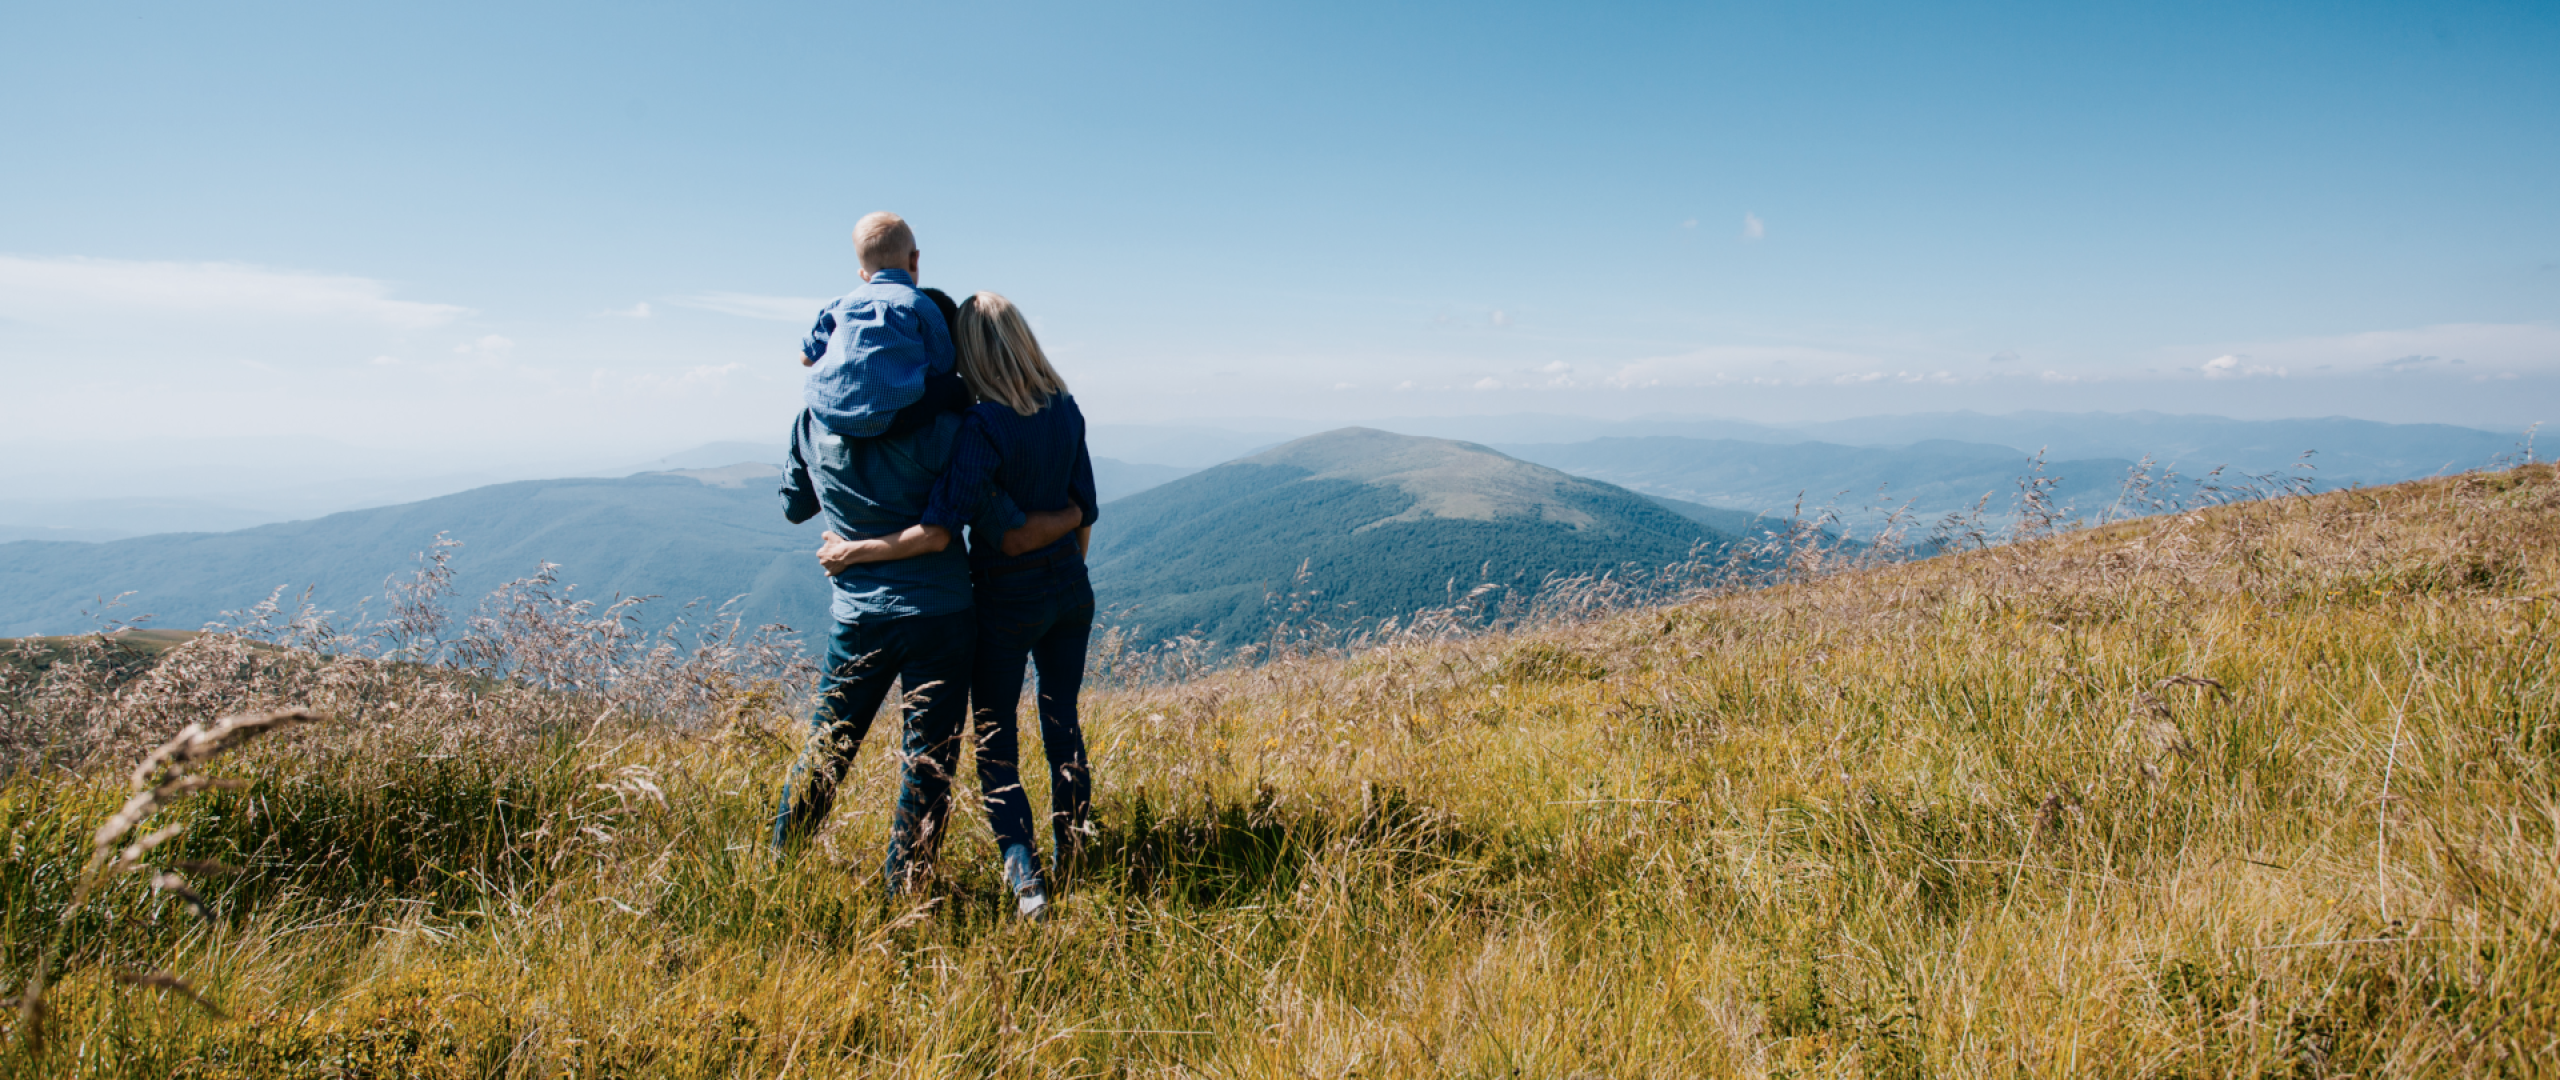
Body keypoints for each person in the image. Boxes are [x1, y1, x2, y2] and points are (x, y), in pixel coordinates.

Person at [818, 292, 1098, 920]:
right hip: (1069, 593)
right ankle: (1077, 854)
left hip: (1005, 599)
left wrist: (854, 551)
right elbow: (1086, 508)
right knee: (1063, 724)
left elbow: (970, 526)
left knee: (995, 739)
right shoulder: (1066, 409)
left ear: (969, 352)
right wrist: (1069, 547)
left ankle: (1026, 879)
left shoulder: (982, 426)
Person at [798, 211, 967, 439]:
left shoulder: (839, 305)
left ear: (863, 274)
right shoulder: (920, 305)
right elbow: (944, 364)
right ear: (914, 259)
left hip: (827, 413)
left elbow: (806, 358)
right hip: (890, 419)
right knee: (956, 387)